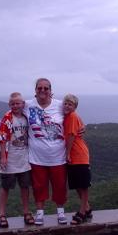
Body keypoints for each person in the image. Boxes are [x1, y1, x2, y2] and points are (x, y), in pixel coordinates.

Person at [25, 78, 68, 225]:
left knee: (60, 185)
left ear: (50, 90)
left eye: (46, 88)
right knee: (38, 186)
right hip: (37, 157)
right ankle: (40, 213)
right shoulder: (27, 105)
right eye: (40, 88)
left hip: (58, 156)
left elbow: (73, 116)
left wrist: (81, 127)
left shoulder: (60, 105)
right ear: (35, 90)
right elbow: (13, 110)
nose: (42, 90)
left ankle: (60, 212)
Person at [0, 92, 34, 228]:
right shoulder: (7, 118)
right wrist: (3, 157)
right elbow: (2, 138)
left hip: (24, 159)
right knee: (5, 187)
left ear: (23, 104)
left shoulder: (27, 117)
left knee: (25, 187)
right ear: (9, 105)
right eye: (13, 104)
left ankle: (26, 212)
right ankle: (2, 215)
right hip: (10, 159)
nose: (15, 106)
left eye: (18, 103)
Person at [63, 94, 92, 225]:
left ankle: (82, 212)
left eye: (70, 104)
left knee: (83, 185)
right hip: (74, 156)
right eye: (66, 103)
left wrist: (67, 153)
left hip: (78, 155)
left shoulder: (72, 116)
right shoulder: (68, 116)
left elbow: (71, 136)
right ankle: (87, 208)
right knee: (77, 185)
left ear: (75, 107)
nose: (67, 106)